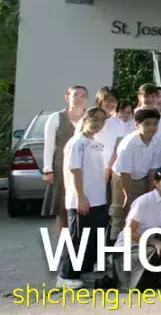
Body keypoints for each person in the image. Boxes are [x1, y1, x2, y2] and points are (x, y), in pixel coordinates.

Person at [57, 106, 108, 288]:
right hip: (81, 200)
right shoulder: (76, 143)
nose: (97, 124)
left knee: (93, 238)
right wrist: (80, 197)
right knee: (78, 238)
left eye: (102, 120)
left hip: (98, 200)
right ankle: (66, 275)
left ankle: (83, 270)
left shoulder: (95, 142)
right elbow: (75, 170)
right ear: (85, 119)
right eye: (94, 119)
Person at [43, 85, 90, 234]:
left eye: (83, 96)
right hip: (61, 168)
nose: (79, 99)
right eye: (75, 95)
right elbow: (49, 146)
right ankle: (63, 246)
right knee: (63, 209)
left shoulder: (89, 118)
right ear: (67, 97)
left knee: (82, 208)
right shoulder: (56, 118)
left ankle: (79, 245)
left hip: (85, 169)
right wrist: (47, 170)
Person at [110, 108, 161, 239]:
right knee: (121, 212)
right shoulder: (129, 143)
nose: (152, 127)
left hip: (143, 177)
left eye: (155, 123)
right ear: (137, 125)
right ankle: (114, 249)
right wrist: (128, 196)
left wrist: (151, 193)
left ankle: (137, 245)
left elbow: (153, 170)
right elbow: (125, 172)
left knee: (140, 212)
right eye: (147, 124)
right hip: (122, 178)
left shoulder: (157, 142)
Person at [125, 166, 161, 288]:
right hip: (131, 247)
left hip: (149, 247)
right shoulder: (144, 201)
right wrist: (153, 241)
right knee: (157, 252)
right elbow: (129, 232)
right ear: (156, 182)